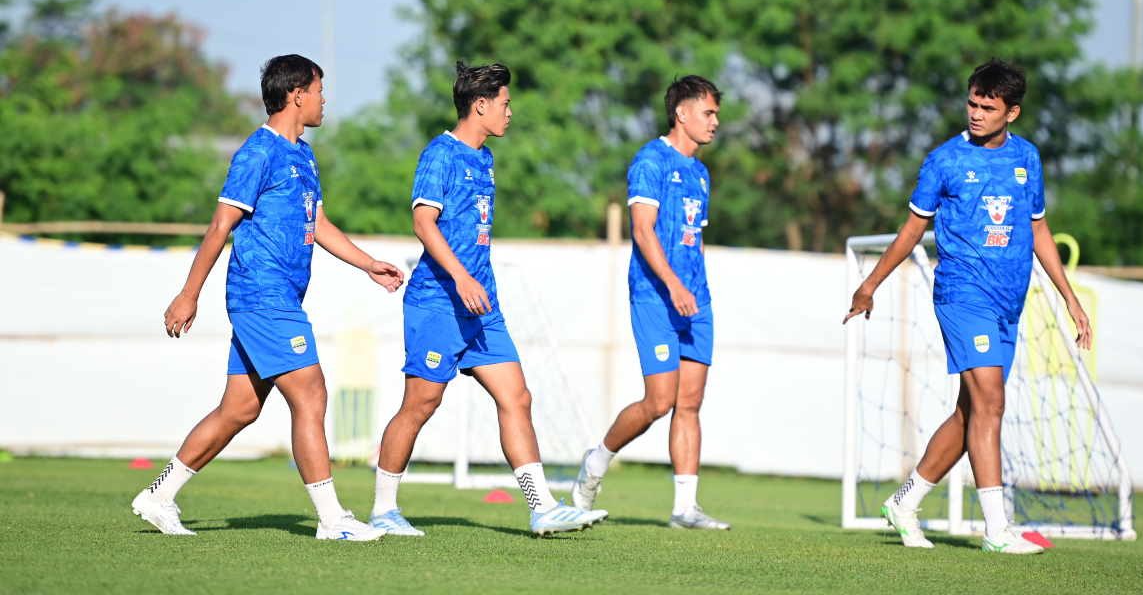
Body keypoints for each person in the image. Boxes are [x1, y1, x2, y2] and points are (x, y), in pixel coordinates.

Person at [135, 54, 405, 541]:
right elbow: (221, 225)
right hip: (262, 295)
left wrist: (368, 264)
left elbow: (319, 223)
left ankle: (158, 495)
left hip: (279, 299)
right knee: (311, 392)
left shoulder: (304, 155)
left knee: (239, 409)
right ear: (297, 94)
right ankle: (333, 520)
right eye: (319, 90)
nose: (324, 100)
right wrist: (189, 294)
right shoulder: (257, 152)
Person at [845, 59, 1093, 554]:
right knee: (992, 403)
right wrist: (869, 284)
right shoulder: (944, 161)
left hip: (1008, 302)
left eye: (988, 107)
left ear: (1012, 112)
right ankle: (997, 531)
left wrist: (1069, 296)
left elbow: (1039, 229)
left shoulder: (1028, 158)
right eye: (972, 103)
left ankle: (904, 503)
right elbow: (911, 231)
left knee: (971, 413)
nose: (976, 114)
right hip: (963, 295)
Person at [368, 61, 609, 538]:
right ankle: (382, 511)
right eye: (505, 103)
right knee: (421, 404)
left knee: (517, 397)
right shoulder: (440, 154)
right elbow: (423, 223)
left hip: (482, 307)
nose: (510, 112)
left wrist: (474, 283)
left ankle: (542, 508)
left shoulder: (486, 159)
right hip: (438, 302)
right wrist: (460, 278)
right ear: (480, 105)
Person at [570, 75, 729, 530]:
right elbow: (642, 231)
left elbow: (693, 239)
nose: (715, 122)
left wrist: (694, 288)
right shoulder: (650, 160)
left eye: (716, 114)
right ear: (682, 112)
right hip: (656, 296)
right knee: (660, 402)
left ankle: (685, 509)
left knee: (690, 403)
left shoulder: (701, 173)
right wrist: (674, 285)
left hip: (695, 301)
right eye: (708, 113)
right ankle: (595, 465)